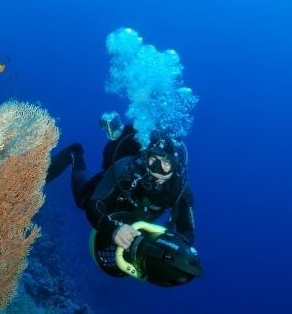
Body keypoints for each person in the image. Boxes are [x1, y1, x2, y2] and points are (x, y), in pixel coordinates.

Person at [46, 115, 197, 283]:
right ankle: (75, 154)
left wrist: (170, 249)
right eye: (152, 159)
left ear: (177, 167)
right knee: (83, 199)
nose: (155, 169)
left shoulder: (182, 192)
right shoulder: (126, 168)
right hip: (114, 192)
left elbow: (188, 234)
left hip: (135, 216)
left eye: (165, 163)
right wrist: (113, 229)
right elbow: (95, 205)